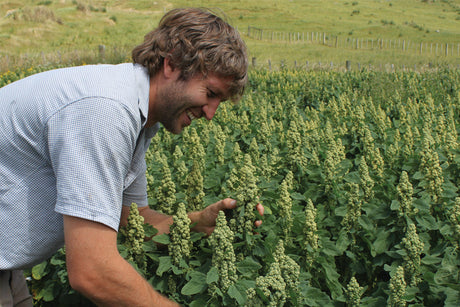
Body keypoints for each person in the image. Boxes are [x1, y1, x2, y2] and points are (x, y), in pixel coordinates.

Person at [0, 7, 263, 306]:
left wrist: (198, 222)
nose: (211, 113)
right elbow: (91, 271)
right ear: (171, 65)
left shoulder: (136, 115)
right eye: (210, 93)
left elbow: (133, 219)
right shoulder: (104, 111)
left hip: (9, 269)